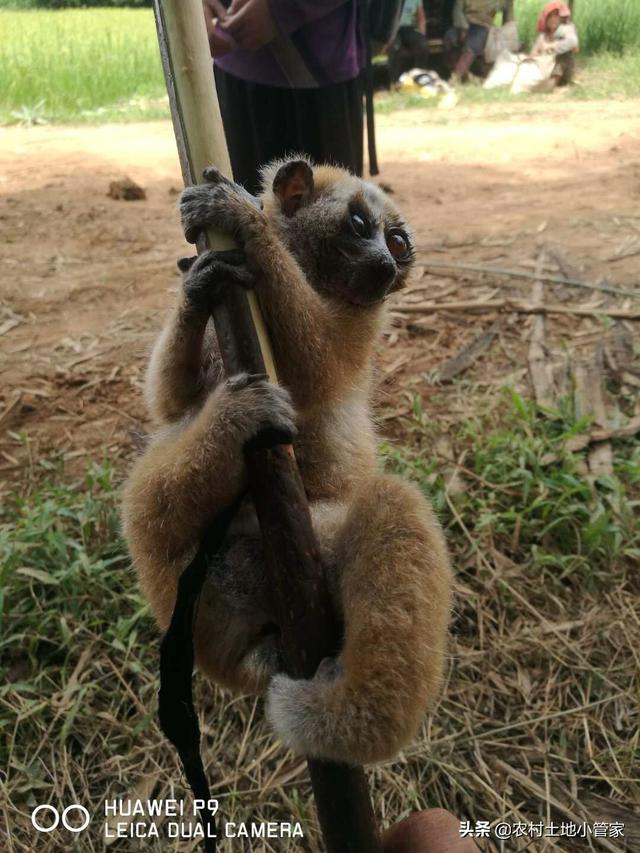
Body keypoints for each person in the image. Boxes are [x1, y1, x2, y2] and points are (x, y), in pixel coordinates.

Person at [201, 0, 364, 195]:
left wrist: (280, 8)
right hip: (234, 67)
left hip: (315, 77)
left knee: (330, 218)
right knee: (234, 218)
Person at [444, 0, 504, 83]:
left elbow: (502, 11)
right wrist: (463, 28)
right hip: (465, 23)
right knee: (450, 37)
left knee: (472, 43)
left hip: (482, 26)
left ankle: (456, 77)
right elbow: (457, 10)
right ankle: (458, 72)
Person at [530, 1, 579, 89]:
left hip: (563, 70)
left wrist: (552, 46)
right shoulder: (543, 35)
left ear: (561, 18)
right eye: (550, 16)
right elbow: (533, 53)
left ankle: (552, 83)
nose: (553, 19)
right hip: (545, 71)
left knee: (563, 56)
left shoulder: (566, 29)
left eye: (556, 16)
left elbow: (573, 42)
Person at [387, 0, 431, 85]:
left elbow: (421, 18)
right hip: (392, 28)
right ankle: (395, 82)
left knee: (423, 45)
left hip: (407, 28)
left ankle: (420, 78)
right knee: (395, 47)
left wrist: (422, 35)